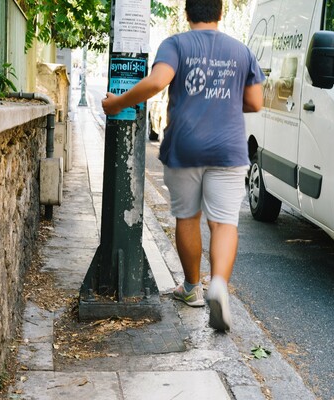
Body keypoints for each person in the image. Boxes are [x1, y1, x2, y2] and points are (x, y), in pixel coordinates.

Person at [102, 0, 264, 331]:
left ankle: (191, 288)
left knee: (188, 217)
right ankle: (217, 283)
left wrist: (116, 103)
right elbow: (256, 102)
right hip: (228, 148)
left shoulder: (176, 44)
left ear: (187, 13)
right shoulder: (241, 51)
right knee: (223, 223)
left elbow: (157, 82)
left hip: (185, 145)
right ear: (220, 13)